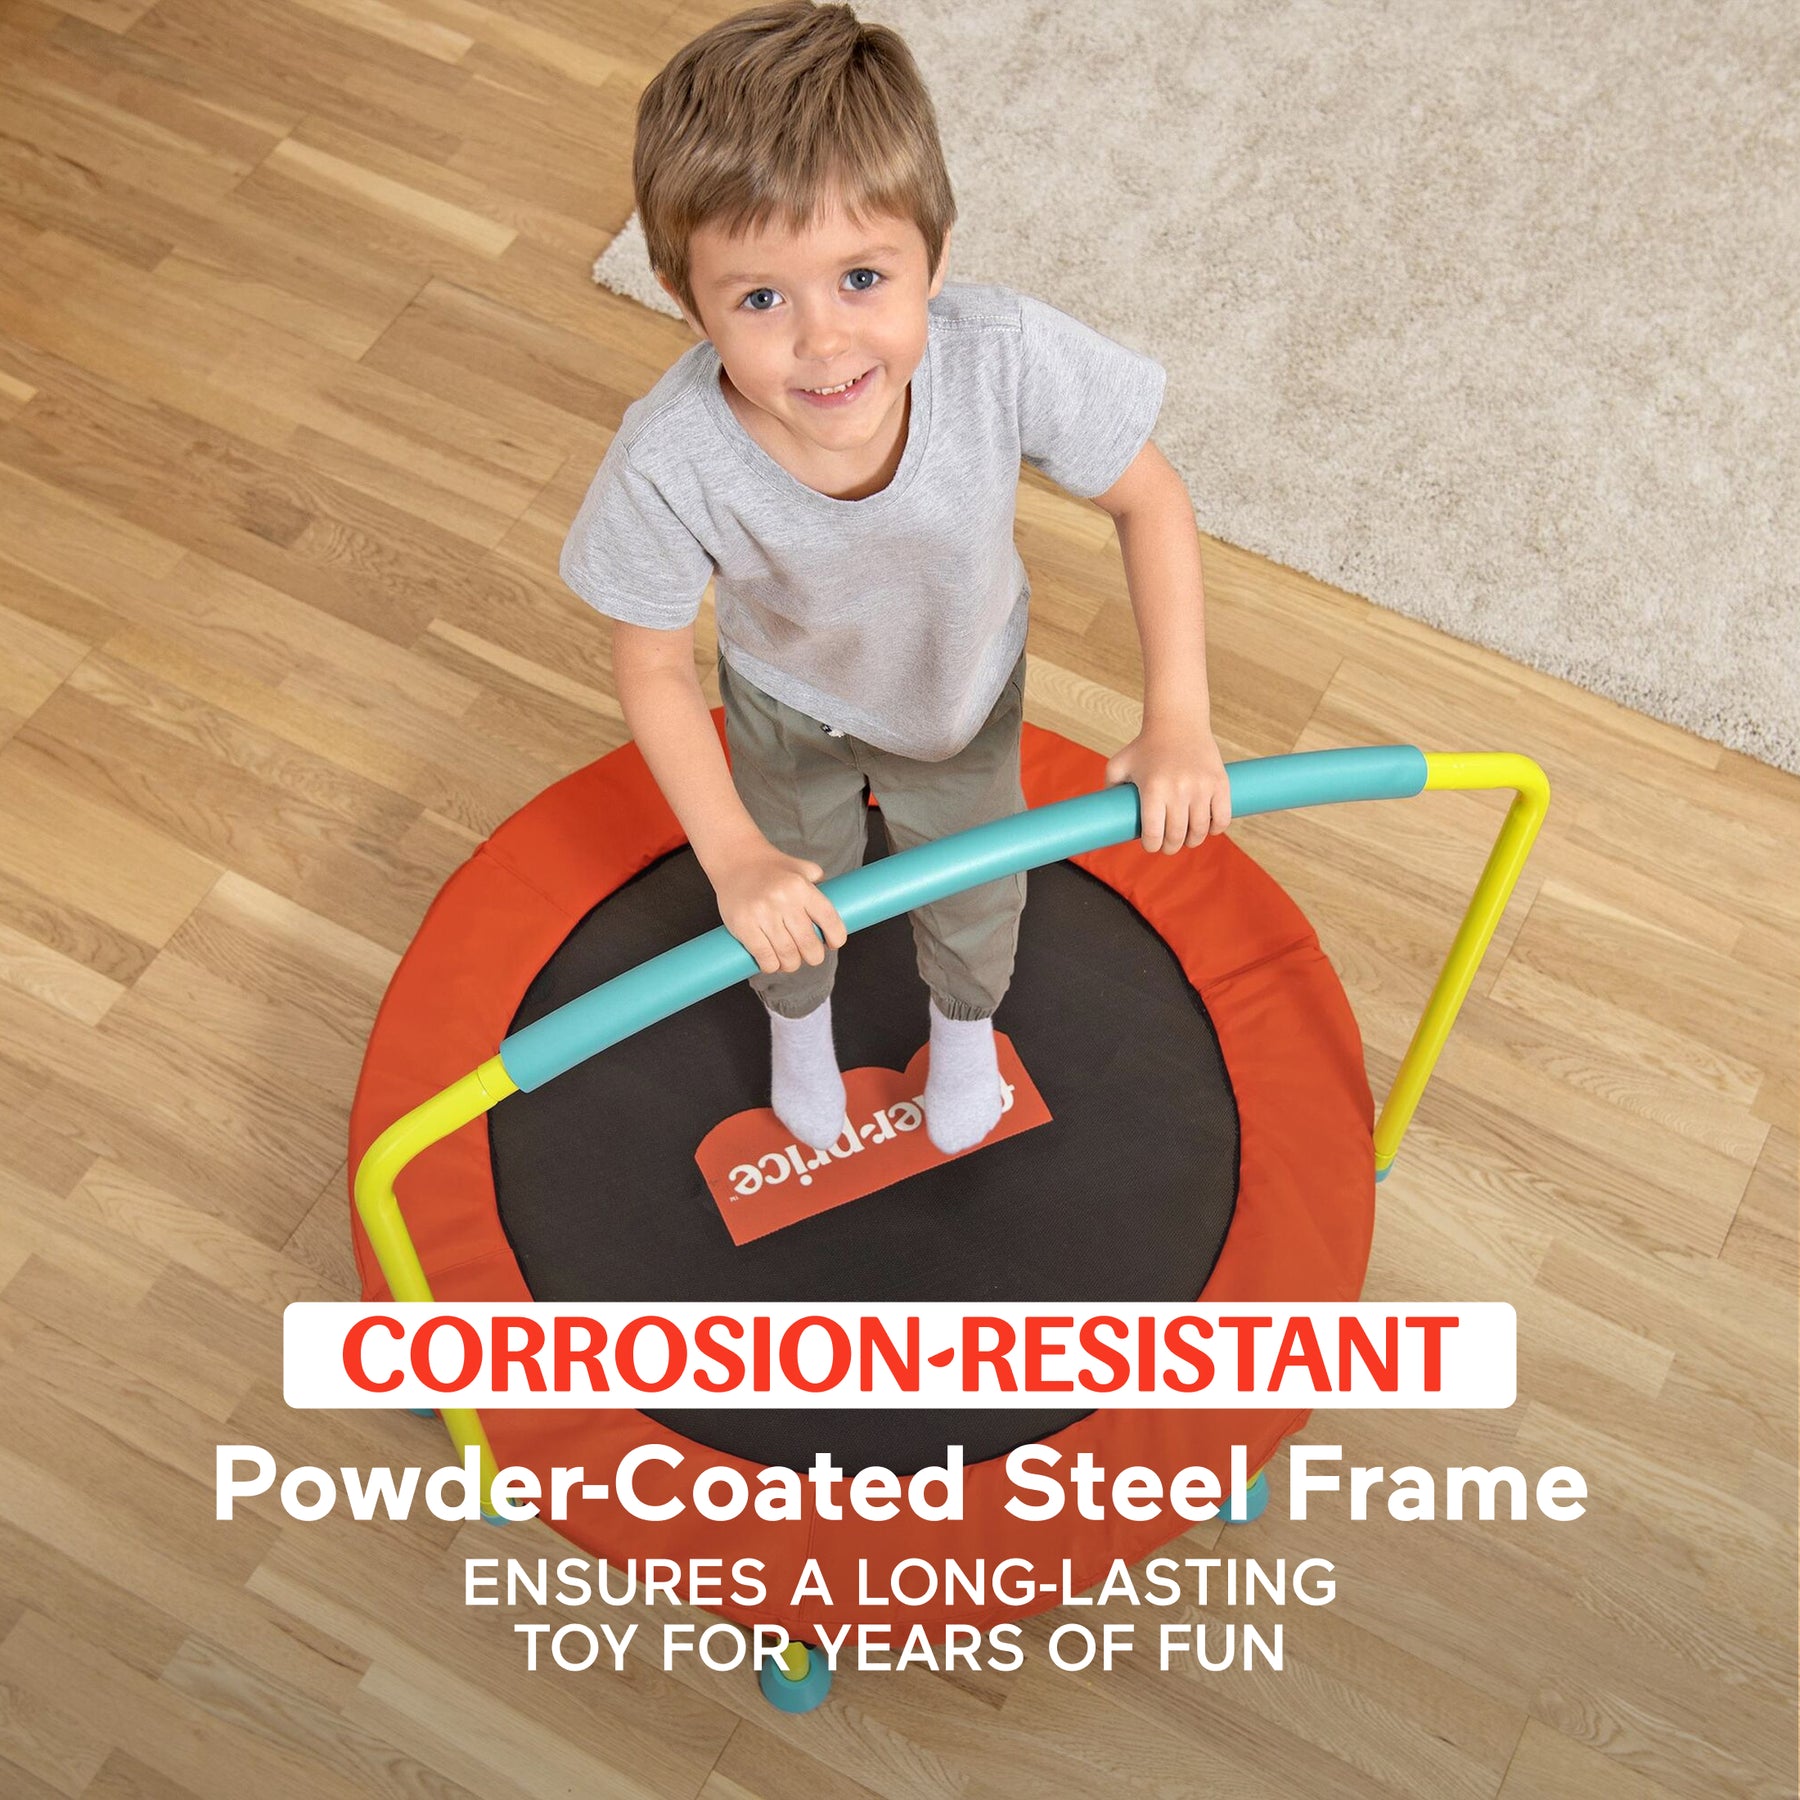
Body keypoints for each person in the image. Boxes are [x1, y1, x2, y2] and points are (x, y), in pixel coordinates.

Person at [559, 1, 1229, 1160]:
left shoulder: (1002, 354)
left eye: (864, 277)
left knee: (976, 893)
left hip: (959, 690)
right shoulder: (671, 456)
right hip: (788, 704)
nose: (824, 343)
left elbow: (1151, 500)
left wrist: (1179, 718)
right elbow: (653, 664)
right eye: (760, 299)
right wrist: (734, 857)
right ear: (685, 299)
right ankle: (798, 1029)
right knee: (787, 894)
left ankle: (964, 1033)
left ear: (937, 256)